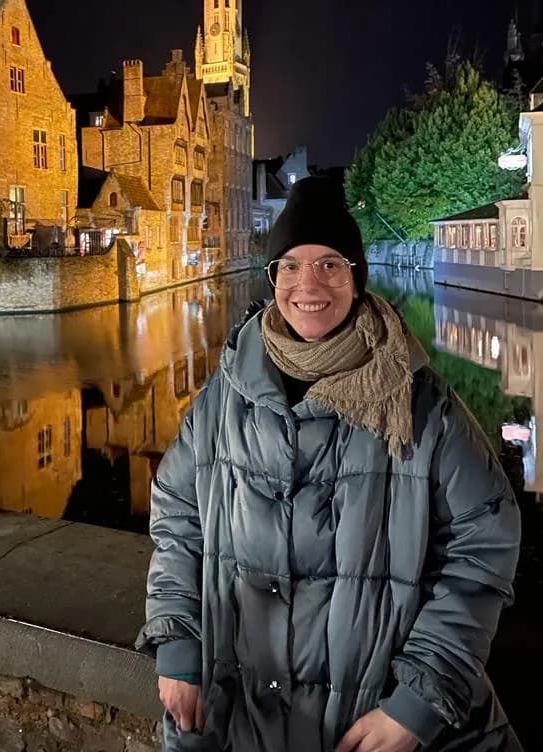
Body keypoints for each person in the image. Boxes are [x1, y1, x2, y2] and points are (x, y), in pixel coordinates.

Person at [136, 176, 522, 751]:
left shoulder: (418, 402)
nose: (307, 285)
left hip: (369, 719)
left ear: (355, 275)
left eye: (329, 265)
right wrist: (178, 641)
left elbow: (485, 543)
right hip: (237, 712)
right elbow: (176, 518)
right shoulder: (225, 394)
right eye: (288, 266)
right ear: (271, 280)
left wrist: (416, 704)